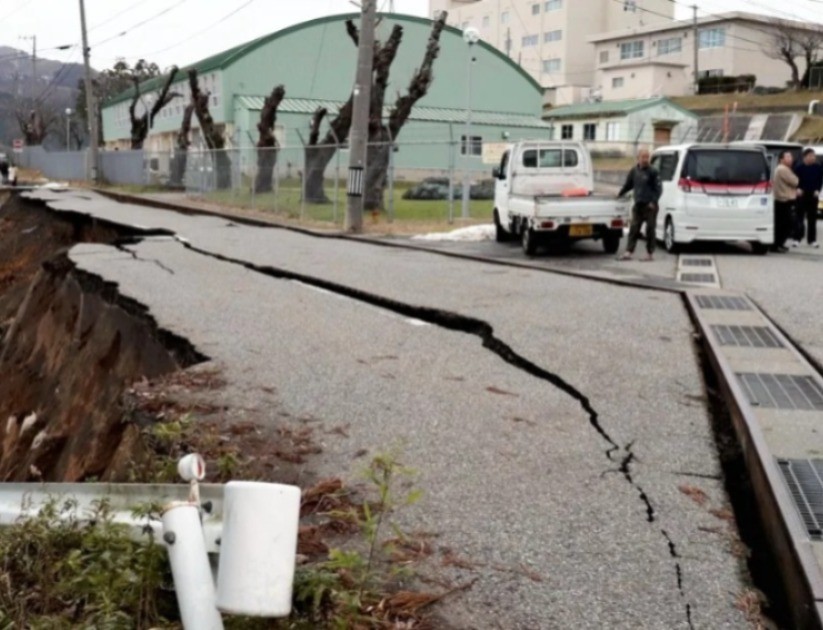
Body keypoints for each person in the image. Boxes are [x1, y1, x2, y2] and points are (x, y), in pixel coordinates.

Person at [616, 148, 662, 261]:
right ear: (638, 158)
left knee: (650, 229)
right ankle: (628, 251)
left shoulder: (653, 172)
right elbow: (628, 185)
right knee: (634, 228)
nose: (645, 159)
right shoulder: (634, 171)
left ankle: (649, 253)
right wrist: (619, 194)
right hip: (638, 205)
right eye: (643, 157)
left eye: (647, 157)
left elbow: (658, 189)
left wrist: (653, 201)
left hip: (650, 206)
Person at [792, 148, 823, 248]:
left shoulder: (818, 167)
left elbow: (819, 180)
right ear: (805, 157)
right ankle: (797, 238)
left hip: (813, 195)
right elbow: (794, 180)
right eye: (810, 156)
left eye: (814, 156)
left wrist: (817, 189)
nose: (813, 158)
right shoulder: (799, 168)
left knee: (812, 218)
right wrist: (797, 189)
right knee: (799, 218)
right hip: (801, 195)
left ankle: (812, 240)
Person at [772, 150, 800, 253]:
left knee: (783, 224)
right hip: (784, 200)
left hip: (782, 200)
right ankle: (777, 244)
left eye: (791, 157)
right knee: (783, 224)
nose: (790, 159)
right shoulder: (783, 169)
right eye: (788, 157)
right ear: (781, 159)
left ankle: (779, 244)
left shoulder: (782, 169)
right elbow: (795, 181)